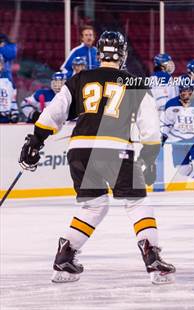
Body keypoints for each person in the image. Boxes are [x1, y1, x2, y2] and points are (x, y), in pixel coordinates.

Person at [18, 31, 175, 285]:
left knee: (94, 205)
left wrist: (35, 141)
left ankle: (65, 256)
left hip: (79, 149)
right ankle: (152, 256)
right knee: (136, 202)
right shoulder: (135, 83)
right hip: (114, 149)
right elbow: (151, 128)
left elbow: (53, 114)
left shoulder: (80, 78)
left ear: (100, 54)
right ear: (122, 55)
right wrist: (149, 156)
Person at [0, 54, 18, 123]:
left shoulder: (8, 82)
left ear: (1, 66)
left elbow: (12, 100)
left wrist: (14, 114)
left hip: (5, 119)